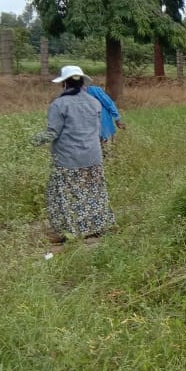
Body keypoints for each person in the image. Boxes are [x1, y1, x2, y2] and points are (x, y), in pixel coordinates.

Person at [31, 65, 115, 243]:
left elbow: (53, 133)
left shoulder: (59, 104)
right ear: (83, 82)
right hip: (93, 156)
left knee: (63, 195)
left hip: (68, 159)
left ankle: (68, 231)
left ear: (64, 84)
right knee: (93, 192)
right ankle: (96, 227)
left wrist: (33, 140)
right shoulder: (94, 102)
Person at [85, 84, 125, 149]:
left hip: (102, 124)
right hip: (88, 128)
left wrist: (117, 118)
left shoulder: (93, 90)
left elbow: (108, 103)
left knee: (104, 148)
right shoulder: (72, 95)